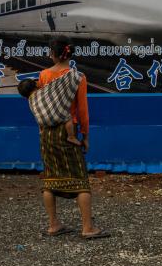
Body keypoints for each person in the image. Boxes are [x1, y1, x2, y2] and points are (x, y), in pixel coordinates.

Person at [35, 36, 110, 239]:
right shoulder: (78, 77)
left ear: (53, 54)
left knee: (50, 178)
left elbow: (40, 105)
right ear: (69, 54)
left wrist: (41, 128)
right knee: (80, 179)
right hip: (69, 132)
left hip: (47, 131)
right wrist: (85, 135)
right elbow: (83, 110)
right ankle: (87, 228)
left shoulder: (43, 75)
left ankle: (53, 225)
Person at [17, 78, 82, 146]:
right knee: (68, 118)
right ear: (35, 86)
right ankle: (71, 137)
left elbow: (35, 113)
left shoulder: (30, 101)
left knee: (39, 116)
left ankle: (41, 131)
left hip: (43, 122)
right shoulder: (42, 91)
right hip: (56, 118)